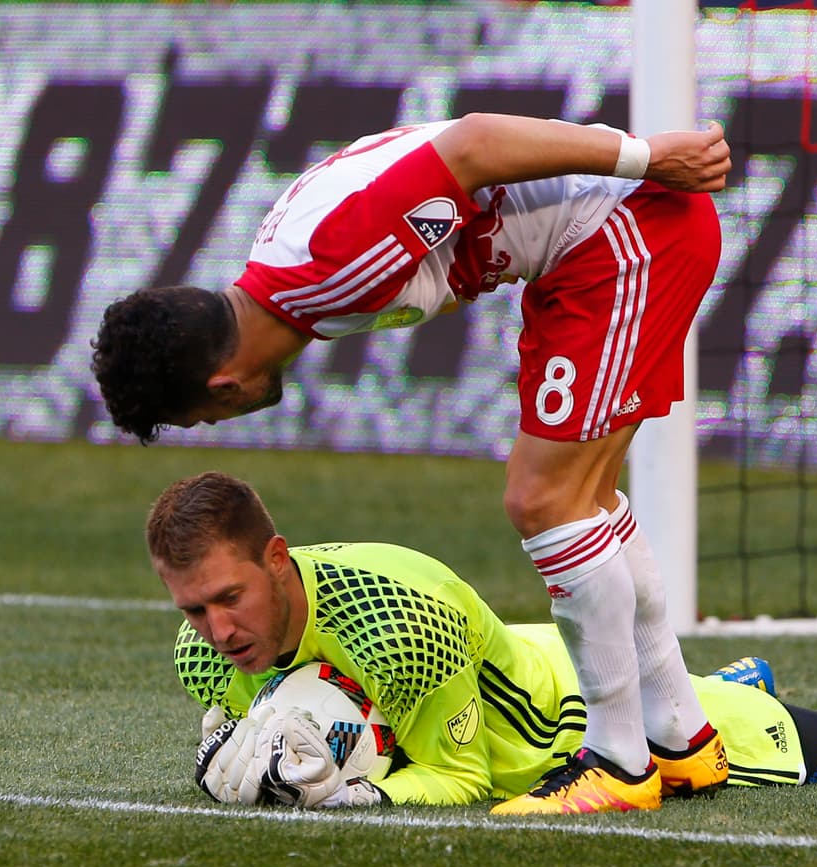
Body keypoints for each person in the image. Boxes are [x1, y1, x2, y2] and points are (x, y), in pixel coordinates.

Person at [93, 113, 733, 814]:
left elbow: (473, 144)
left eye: (205, 417)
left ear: (221, 385)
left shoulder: (330, 268)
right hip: (600, 244)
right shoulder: (287, 271)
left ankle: (617, 760)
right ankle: (678, 736)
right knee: (587, 498)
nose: (224, 421)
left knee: (544, 500)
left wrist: (648, 158)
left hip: (627, 231)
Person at [148, 472, 817, 813]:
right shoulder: (207, 648)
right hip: (575, 723)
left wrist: (362, 799)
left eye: (228, 599)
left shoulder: (403, 607)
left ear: (278, 557)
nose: (215, 630)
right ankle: (728, 688)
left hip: (590, 724)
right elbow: (236, 745)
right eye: (193, 610)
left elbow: (463, 777)